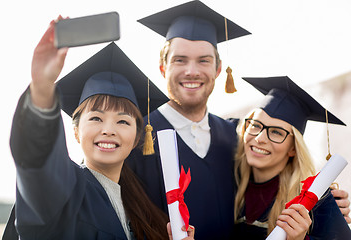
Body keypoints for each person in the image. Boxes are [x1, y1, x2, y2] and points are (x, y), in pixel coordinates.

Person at [126, 1, 351, 239]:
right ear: (162, 68)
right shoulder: (133, 138)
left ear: (219, 69)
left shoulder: (232, 135)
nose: (192, 71)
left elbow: (276, 179)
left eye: (203, 60)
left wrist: (324, 205)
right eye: (180, 60)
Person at [6, 16, 194, 240]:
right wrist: (42, 87)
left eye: (123, 121)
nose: (108, 129)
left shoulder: (138, 207)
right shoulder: (63, 193)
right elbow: (38, 159)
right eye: (96, 118)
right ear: (76, 131)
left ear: (136, 138)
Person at [233, 76, 351, 239]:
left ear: (293, 149)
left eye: (276, 132)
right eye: (255, 125)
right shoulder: (230, 185)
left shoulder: (315, 199)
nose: (260, 138)